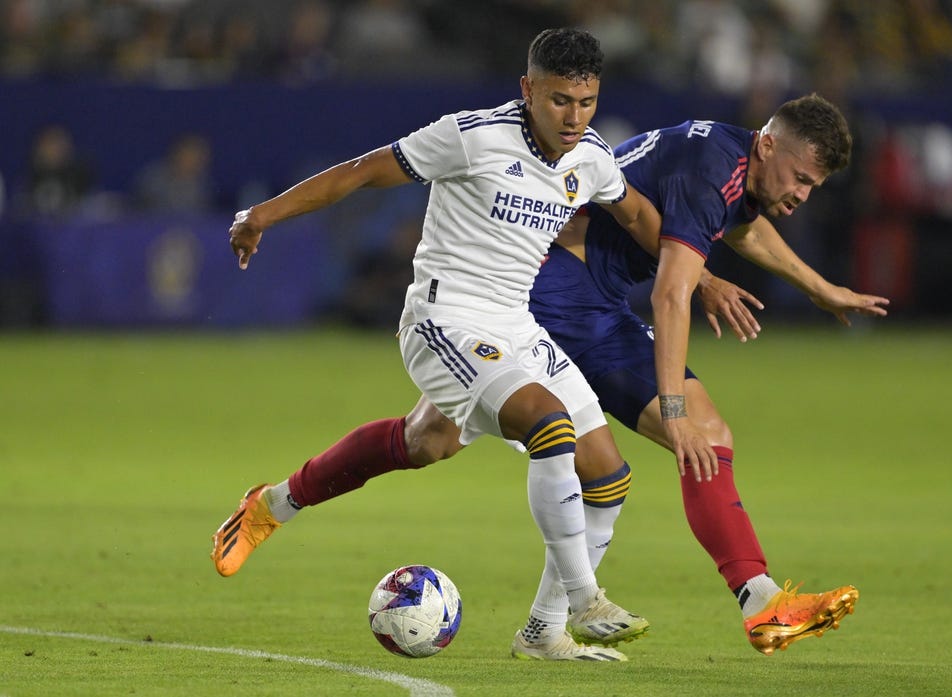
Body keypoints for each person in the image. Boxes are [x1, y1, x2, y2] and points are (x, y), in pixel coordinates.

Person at [212, 92, 889, 658]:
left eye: (812, 187)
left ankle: (273, 504)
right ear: (769, 145)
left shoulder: (732, 162)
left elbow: (732, 225)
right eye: (801, 178)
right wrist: (673, 406)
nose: (801, 195)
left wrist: (816, 285)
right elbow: (668, 293)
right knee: (690, 435)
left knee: (427, 438)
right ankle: (744, 601)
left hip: (579, 296)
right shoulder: (708, 165)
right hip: (556, 294)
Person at [212, 28, 662, 662]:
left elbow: (638, 215)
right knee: (549, 427)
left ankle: (542, 632)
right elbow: (362, 172)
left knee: (597, 475)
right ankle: (587, 601)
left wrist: (704, 271)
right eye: (560, 100)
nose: (574, 117)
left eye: (585, 103)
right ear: (528, 90)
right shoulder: (471, 135)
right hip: (443, 320)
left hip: (515, 328)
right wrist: (261, 214)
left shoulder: (590, 156)